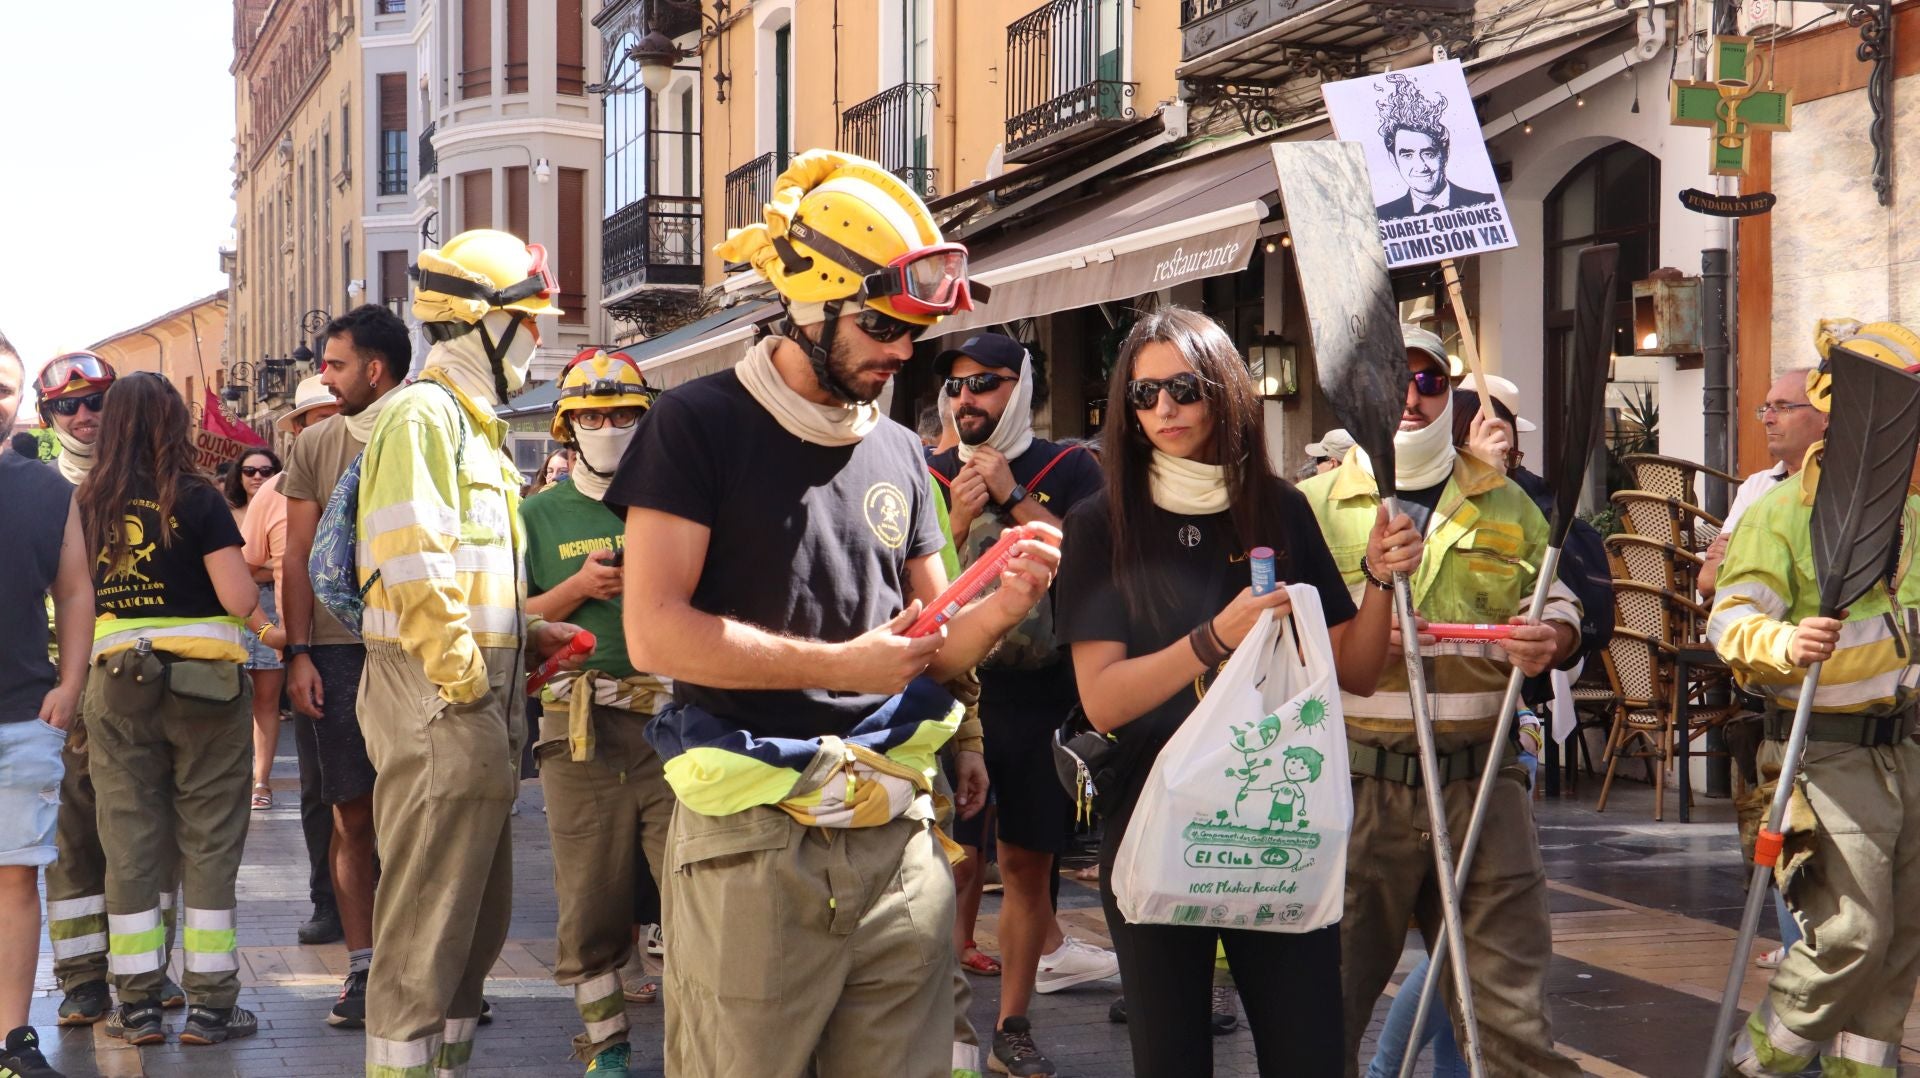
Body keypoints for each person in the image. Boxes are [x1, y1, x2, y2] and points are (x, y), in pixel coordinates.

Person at [610, 149, 1046, 1078]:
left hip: (896, 835)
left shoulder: (895, 447)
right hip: (754, 838)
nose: (900, 354)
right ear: (811, 304)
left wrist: (1001, 607)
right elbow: (653, 631)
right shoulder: (695, 424)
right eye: (881, 325)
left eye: (912, 334)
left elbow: (932, 641)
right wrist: (841, 666)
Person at [1053, 307, 1421, 1075]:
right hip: (1155, 813)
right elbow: (1105, 701)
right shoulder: (1100, 523)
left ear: (1223, 391)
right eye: (1142, 395)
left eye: (1183, 388)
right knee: (1172, 1055)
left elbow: (1352, 670)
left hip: (1275, 813)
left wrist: (1380, 578)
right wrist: (1214, 637)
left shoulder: (1278, 507)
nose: (1163, 410)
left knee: (1310, 1050)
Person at [1297, 325, 1584, 1078]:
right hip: (1355, 793)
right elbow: (1268, 630)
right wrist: (1355, 632)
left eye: (1429, 382)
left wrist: (1552, 635)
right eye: (1396, 379)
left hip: (1482, 787)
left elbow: (1552, 595)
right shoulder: (1315, 504)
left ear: (1450, 395)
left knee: (1512, 1026)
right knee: (1323, 1018)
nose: (1411, 396)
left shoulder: (1506, 499)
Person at [355, 230, 586, 1077]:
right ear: (481, 324)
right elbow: (414, 568)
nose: (538, 336)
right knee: (423, 940)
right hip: (442, 708)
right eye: (527, 319)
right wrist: (464, 685)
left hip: (478, 707)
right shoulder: (423, 416)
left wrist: (528, 636)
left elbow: (466, 576)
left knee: (470, 938)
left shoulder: (474, 427)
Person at [1708, 320, 1920, 1078]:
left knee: (1898, 947)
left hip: (1901, 748)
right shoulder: (1777, 512)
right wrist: (1784, 643)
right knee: (1852, 934)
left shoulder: (1914, 518)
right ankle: (1756, 1061)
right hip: (1821, 749)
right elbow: (1729, 621)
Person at [927, 331, 1114, 1076]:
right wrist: (961, 523)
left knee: (1028, 863)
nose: (968, 399)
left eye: (987, 383)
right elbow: (909, 585)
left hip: (1043, 697)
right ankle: (944, 1023)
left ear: (1023, 387)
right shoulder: (925, 470)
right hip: (952, 692)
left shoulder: (1070, 467)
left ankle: (1012, 1023)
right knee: (952, 865)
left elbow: (1098, 564)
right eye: (958, 386)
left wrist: (1011, 496)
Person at [79, 372, 274, 1046]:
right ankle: (213, 1006)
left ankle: (135, 1005)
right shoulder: (196, 498)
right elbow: (240, 597)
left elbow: (75, 599)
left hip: (114, 689)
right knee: (209, 845)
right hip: (206, 694)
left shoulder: (87, 501)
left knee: (130, 844)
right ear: (174, 423)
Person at [521, 348, 676, 1077]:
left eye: (622, 414)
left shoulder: (678, 496)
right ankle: (606, 1046)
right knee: (590, 903)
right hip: (578, 728)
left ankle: (705, 1042)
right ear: (568, 426)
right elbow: (506, 619)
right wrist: (577, 587)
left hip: (675, 726)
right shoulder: (536, 515)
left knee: (694, 891)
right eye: (592, 415)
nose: (608, 426)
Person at [34, 353, 188, 1027]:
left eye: (96, 401)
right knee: (71, 842)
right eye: (68, 406)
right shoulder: (32, 487)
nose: (84, 416)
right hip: (56, 690)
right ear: (47, 418)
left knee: (149, 835)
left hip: (138, 684)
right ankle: (81, 981)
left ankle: (146, 973)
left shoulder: (154, 483)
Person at [281, 315, 406, 1030]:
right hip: (336, 652)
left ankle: (429, 962)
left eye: (334, 365)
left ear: (375, 370)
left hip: (418, 646)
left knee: (420, 815)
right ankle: (363, 968)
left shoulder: (432, 430)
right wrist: (298, 652)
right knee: (351, 815)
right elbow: (294, 556)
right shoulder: (318, 444)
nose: (324, 377)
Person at [0, 330, 90, 1078]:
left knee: (15, 877)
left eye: (4, 385)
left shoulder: (50, 491)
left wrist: (71, 683)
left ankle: (13, 1038)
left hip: (23, 715)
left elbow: (75, 591)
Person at [263, 375, 349, 951]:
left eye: (331, 416)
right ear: (296, 431)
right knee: (322, 789)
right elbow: (258, 563)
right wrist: (289, 643)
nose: (323, 430)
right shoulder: (274, 491)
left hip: (388, 644)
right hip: (320, 646)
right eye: (311, 421)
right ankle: (327, 900)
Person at [1699, 367, 1828, 602]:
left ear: (1825, 417)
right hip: (1763, 633)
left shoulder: (1844, 488)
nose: (1768, 419)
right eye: (1766, 408)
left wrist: (1744, 554)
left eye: (1783, 407)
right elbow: (1707, 581)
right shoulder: (1756, 486)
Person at [226, 446, 287, 812]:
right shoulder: (225, 513)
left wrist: (256, 567)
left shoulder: (285, 505)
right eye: (250, 471)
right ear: (239, 475)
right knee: (231, 699)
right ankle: (234, 779)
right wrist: (268, 565)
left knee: (267, 700)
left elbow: (274, 565)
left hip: (273, 610)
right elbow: (237, 570)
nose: (258, 478)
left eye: (266, 471)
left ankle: (261, 780)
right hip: (234, 613)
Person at [1372, 73, 1494, 218]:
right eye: (1407, 155)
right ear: (1393, 159)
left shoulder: (1486, 204)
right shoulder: (1382, 218)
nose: (1421, 167)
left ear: (1445, 154)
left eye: (1428, 154)